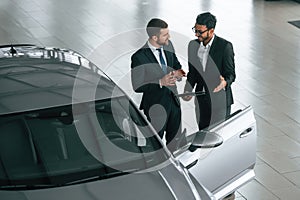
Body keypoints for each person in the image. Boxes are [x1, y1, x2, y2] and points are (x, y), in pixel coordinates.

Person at [131, 18, 186, 151]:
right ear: (155, 37)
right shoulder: (139, 57)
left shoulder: (168, 45)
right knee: (155, 145)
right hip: (155, 107)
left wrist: (179, 73)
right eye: (165, 35)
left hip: (173, 103)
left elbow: (176, 64)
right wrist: (160, 82)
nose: (169, 37)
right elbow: (137, 86)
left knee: (175, 141)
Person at [183, 12, 236, 130]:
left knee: (218, 136)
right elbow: (193, 72)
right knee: (203, 134)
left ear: (211, 31)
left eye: (200, 32)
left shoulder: (225, 47)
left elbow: (231, 74)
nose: (197, 34)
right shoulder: (193, 45)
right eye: (195, 30)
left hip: (219, 101)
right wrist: (188, 89)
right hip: (201, 100)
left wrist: (225, 82)